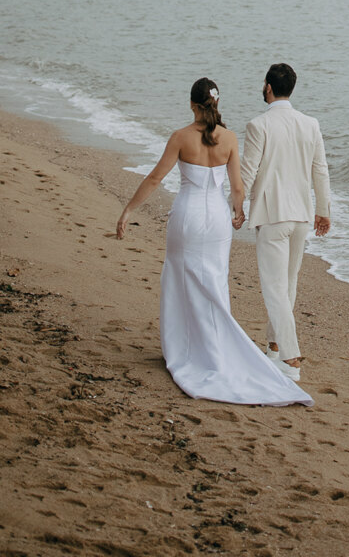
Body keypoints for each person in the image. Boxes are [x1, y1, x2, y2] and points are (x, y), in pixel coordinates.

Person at [116, 77, 311, 407]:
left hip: (188, 217)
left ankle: (182, 348)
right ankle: (215, 347)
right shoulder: (230, 138)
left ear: (193, 104)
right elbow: (237, 188)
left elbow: (154, 178)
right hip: (217, 220)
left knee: (180, 277)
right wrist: (238, 213)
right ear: (216, 104)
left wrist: (128, 210)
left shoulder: (181, 137)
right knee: (215, 281)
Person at [240, 62, 331, 382]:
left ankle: (291, 358)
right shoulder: (310, 124)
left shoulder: (258, 125)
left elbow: (247, 172)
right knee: (288, 285)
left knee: (274, 288)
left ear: (268, 87)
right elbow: (320, 170)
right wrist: (324, 210)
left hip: (273, 215)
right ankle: (274, 347)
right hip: (302, 216)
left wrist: (234, 206)